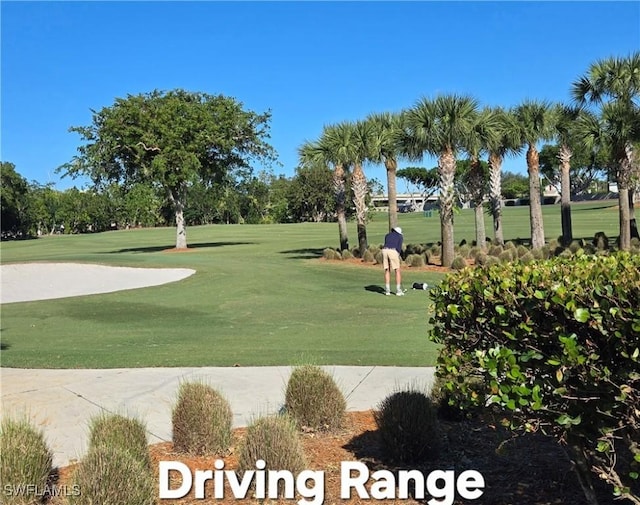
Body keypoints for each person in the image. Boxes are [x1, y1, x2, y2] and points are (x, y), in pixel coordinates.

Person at [382, 227, 404, 296]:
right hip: (392, 251)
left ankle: (387, 290)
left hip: (384, 251)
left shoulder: (387, 235)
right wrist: (398, 255)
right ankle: (398, 290)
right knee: (397, 270)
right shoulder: (400, 236)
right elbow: (399, 248)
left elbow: (386, 243)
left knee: (387, 269)